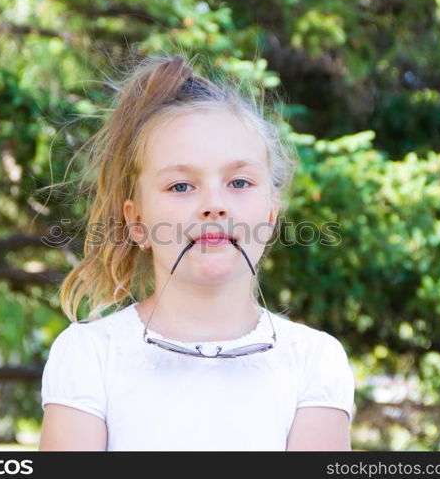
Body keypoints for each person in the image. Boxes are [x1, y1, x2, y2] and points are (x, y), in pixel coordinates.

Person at [38, 53, 355, 451]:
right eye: (181, 186)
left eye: (239, 182)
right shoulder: (90, 356)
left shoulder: (313, 361)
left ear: (271, 214)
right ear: (137, 223)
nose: (214, 205)